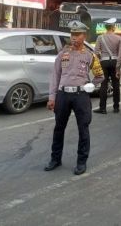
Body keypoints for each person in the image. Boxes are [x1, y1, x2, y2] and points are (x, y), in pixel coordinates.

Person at [45, 20, 102, 175]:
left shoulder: (90, 56)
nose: (74, 37)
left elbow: (99, 75)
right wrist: (52, 97)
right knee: (58, 128)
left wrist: (90, 85)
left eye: (77, 34)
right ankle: (55, 159)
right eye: (72, 34)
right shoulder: (63, 54)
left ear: (85, 36)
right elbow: (55, 76)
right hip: (63, 95)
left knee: (83, 129)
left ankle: (81, 162)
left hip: (80, 96)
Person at [93, 18, 121, 114]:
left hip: (104, 62)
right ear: (113, 27)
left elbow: (96, 52)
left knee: (103, 85)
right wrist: (118, 67)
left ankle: (103, 108)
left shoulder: (100, 38)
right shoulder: (118, 38)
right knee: (116, 84)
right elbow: (120, 53)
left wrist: (102, 57)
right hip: (115, 62)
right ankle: (116, 107)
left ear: (105, 27)